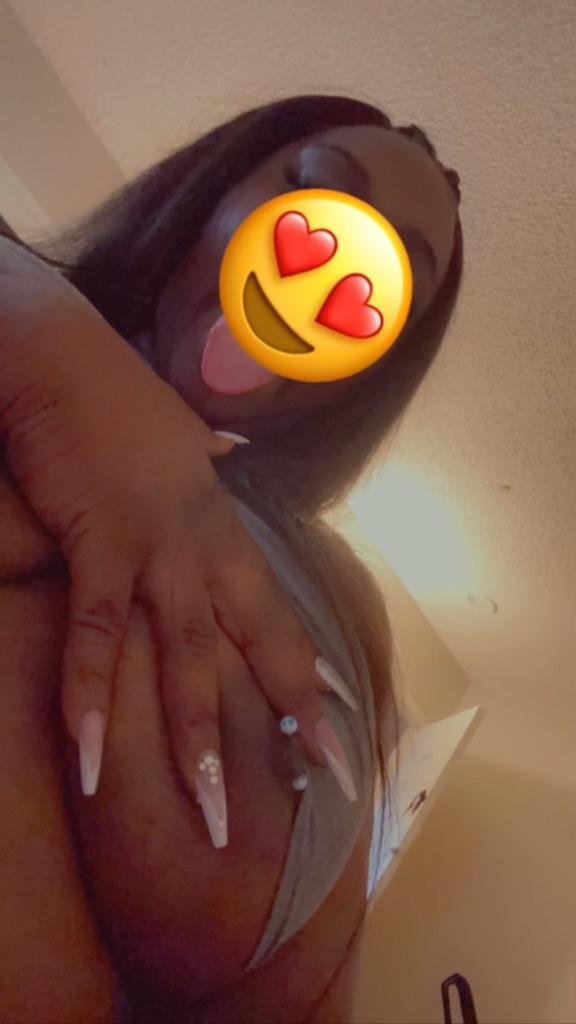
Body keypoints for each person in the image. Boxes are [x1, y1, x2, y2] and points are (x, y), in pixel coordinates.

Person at [0, 94, 462, 1022]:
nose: (330, 274)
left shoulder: (342, 604)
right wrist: (43, 320)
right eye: (315, 189)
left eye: (390, 283)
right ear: (212, 192)